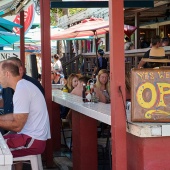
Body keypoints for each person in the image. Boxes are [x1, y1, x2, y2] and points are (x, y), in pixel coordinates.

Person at [0, 60, 50, 170]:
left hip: (33, 141)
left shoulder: (22, 90)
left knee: (1, 151)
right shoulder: (23, 86)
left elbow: (17, 125)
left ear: (7, 74)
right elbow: (15, 116)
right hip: (32, 138)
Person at [0, 57, 45, 135]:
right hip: (21, 131)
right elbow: (15, 115)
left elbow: (18, 125)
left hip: (28, 135)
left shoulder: (23, 88)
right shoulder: (18, 86)